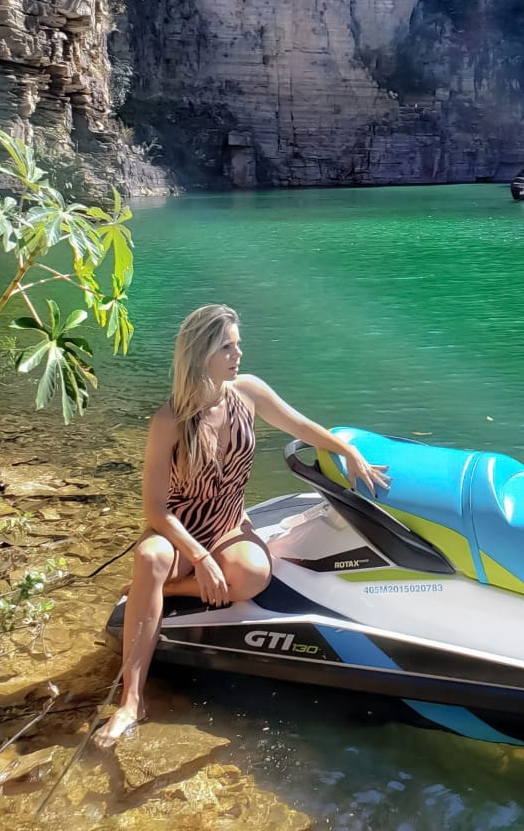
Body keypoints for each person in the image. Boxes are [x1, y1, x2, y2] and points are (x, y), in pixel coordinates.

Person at [94, 303, 390, 746]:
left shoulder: (248, 391)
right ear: (200, 354)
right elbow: (155, 510)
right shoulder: (169, 420)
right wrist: (199, 558)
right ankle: (131, 702)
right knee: (149, 556)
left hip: (229, 521)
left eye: (237, 345)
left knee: (253, 575)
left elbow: (299, 425)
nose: (238, 355)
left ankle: (160, 591)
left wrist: (346, 451)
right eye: (227, 347)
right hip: (181, 528)